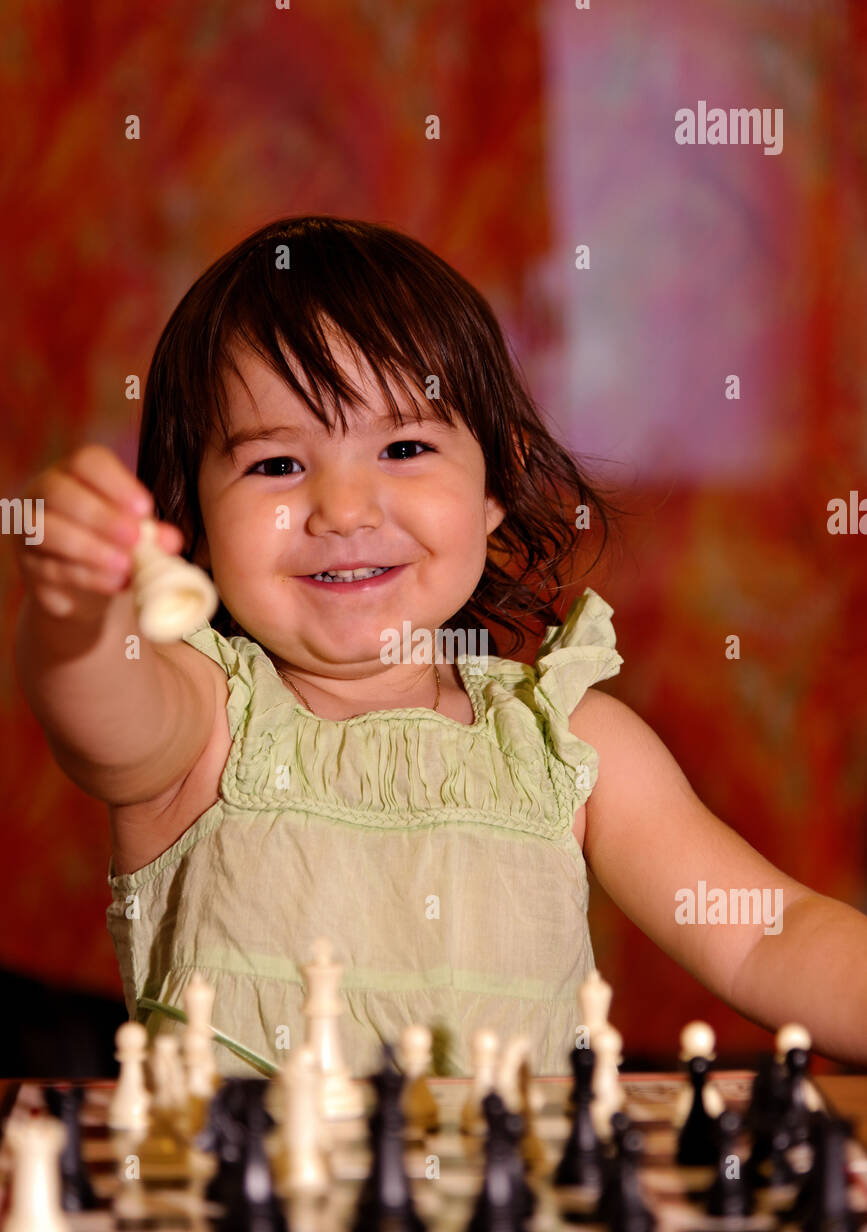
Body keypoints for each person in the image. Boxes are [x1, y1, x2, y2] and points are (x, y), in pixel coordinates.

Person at [13, 216, 867, 1076]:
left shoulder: (568, 746)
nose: (343, 510)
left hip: (516, 1208)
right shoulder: (203, 723)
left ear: (496, 481)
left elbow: (766, 936)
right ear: (191, 518)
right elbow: (101, 711)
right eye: (276, 465)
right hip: (240, 1209)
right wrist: (75, 608)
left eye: (405, 447)